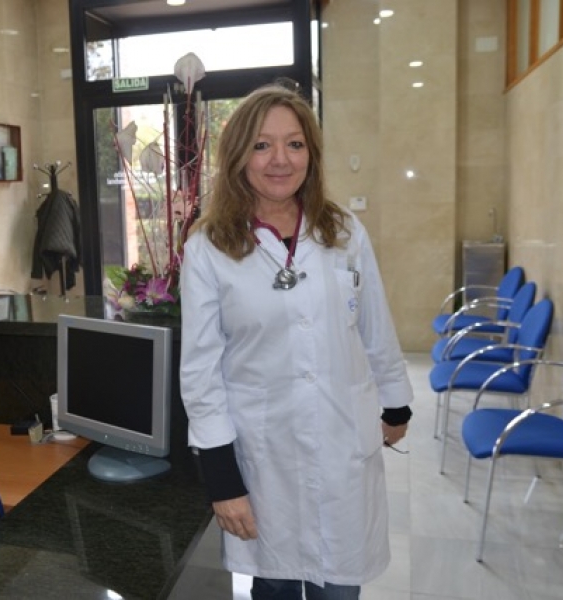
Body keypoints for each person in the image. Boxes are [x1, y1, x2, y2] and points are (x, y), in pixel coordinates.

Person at [179, 84, 414, 600]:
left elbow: (374, 324)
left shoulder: (345, 231)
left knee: (340, 590)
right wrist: (222, 479)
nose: (280, 160)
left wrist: (396, 403)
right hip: (266, 455)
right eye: (262, 145)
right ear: (238, 155)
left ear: (312, 152)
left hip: (341, 442)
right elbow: (200, 372)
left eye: (295, 144)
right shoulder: (208, 247)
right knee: (276, 585)